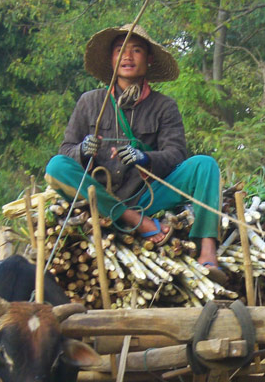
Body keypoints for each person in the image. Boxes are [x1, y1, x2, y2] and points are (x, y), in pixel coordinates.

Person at [45, 24, 225, 282]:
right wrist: (83, 151)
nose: (127, 57)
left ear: (149, 59)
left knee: (204, 165)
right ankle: (136, 221)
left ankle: (207, 249)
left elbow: (176, 155)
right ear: (111, 58)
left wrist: (145, 158)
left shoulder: (164, 106)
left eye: (136, 50)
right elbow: (66, 150)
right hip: (100, 197)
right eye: (120, 50)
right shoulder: (90, 102)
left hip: (148, 197)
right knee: (56, 167)